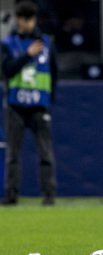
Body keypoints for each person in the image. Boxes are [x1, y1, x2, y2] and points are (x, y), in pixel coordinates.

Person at [0, 1, 58, 205]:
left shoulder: (46, 42)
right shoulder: (8, 43)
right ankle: (11, 195)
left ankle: (49, 196)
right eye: (26, 20)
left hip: (39, 106)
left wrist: (49, 102)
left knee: (45, 154)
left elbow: (54, 73)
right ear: (18, 20)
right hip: (16, 106)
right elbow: (6, 70)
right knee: (12, 155)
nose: (30, 23)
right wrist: (27, 55)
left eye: (32, 19)